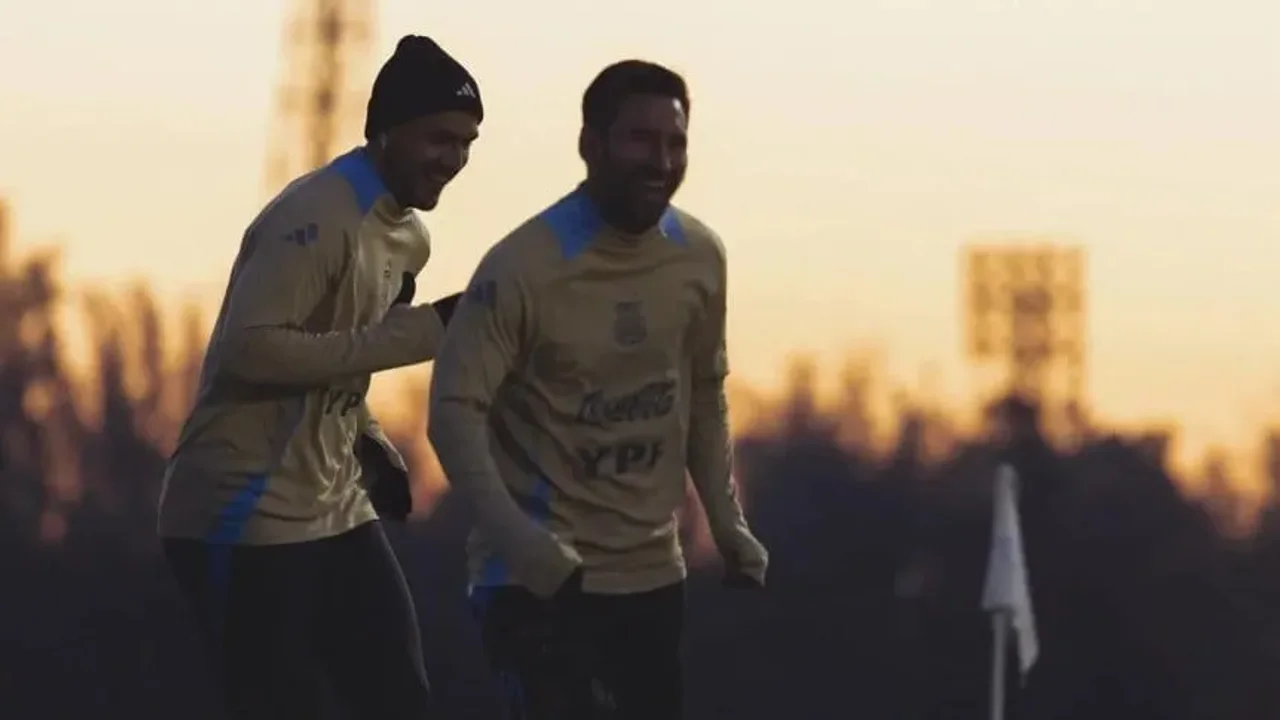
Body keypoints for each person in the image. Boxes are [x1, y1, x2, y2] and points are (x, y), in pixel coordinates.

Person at [427, 59, 768, 720]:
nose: (661, 162)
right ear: (591, 145)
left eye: (675, 143)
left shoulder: (700, 256)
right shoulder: (522, 267)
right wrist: (518, 540)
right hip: (537, 586)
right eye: (641, 140)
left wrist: (728, 525)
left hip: (651, 577)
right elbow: (452, 413)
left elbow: (704, 394)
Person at [156, 35, 481, 720]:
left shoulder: (409, 236)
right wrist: (425, 331)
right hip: (238, 514)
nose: (453, 160)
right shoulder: (318, 215)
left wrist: (368, 444)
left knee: (399, 699)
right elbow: (249, 352)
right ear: (387, 130)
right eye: (439, 139)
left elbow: (339, 356)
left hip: (333, 508)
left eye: (466, 143)